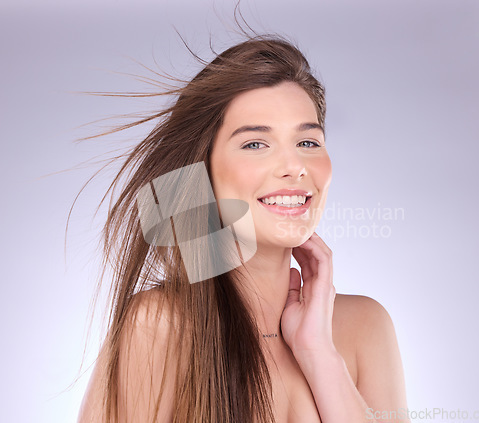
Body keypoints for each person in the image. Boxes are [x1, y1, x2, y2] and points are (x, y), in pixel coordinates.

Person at [76, 30, 410, 423]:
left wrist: (318, 352)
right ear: (202, 172)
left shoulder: (366, 326)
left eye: (308, 142)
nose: (294, 166)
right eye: (255, 143)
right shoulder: (160, 326)